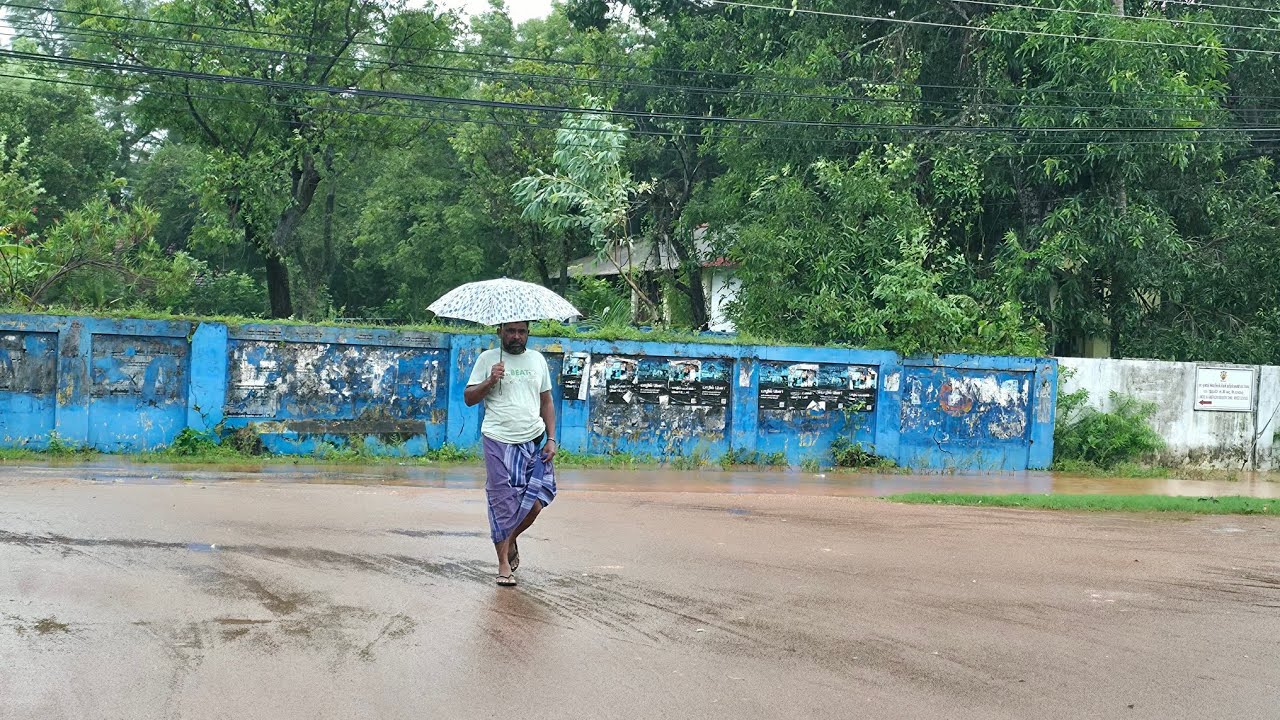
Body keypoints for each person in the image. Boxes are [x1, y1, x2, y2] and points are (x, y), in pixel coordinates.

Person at [464, 320, 558, 587]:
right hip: (497, 440)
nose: (516, 336)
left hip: (533, 441)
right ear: (500, 333)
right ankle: (504, 563)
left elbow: (546, 401)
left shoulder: (538, 360)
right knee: (502, 504)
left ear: (527, 334)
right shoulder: (487, 359)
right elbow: (469, 398)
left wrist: (551, 438)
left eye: (522, 332)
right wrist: (490, 380)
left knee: (536, 503)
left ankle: (511, 537)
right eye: (510, 331)